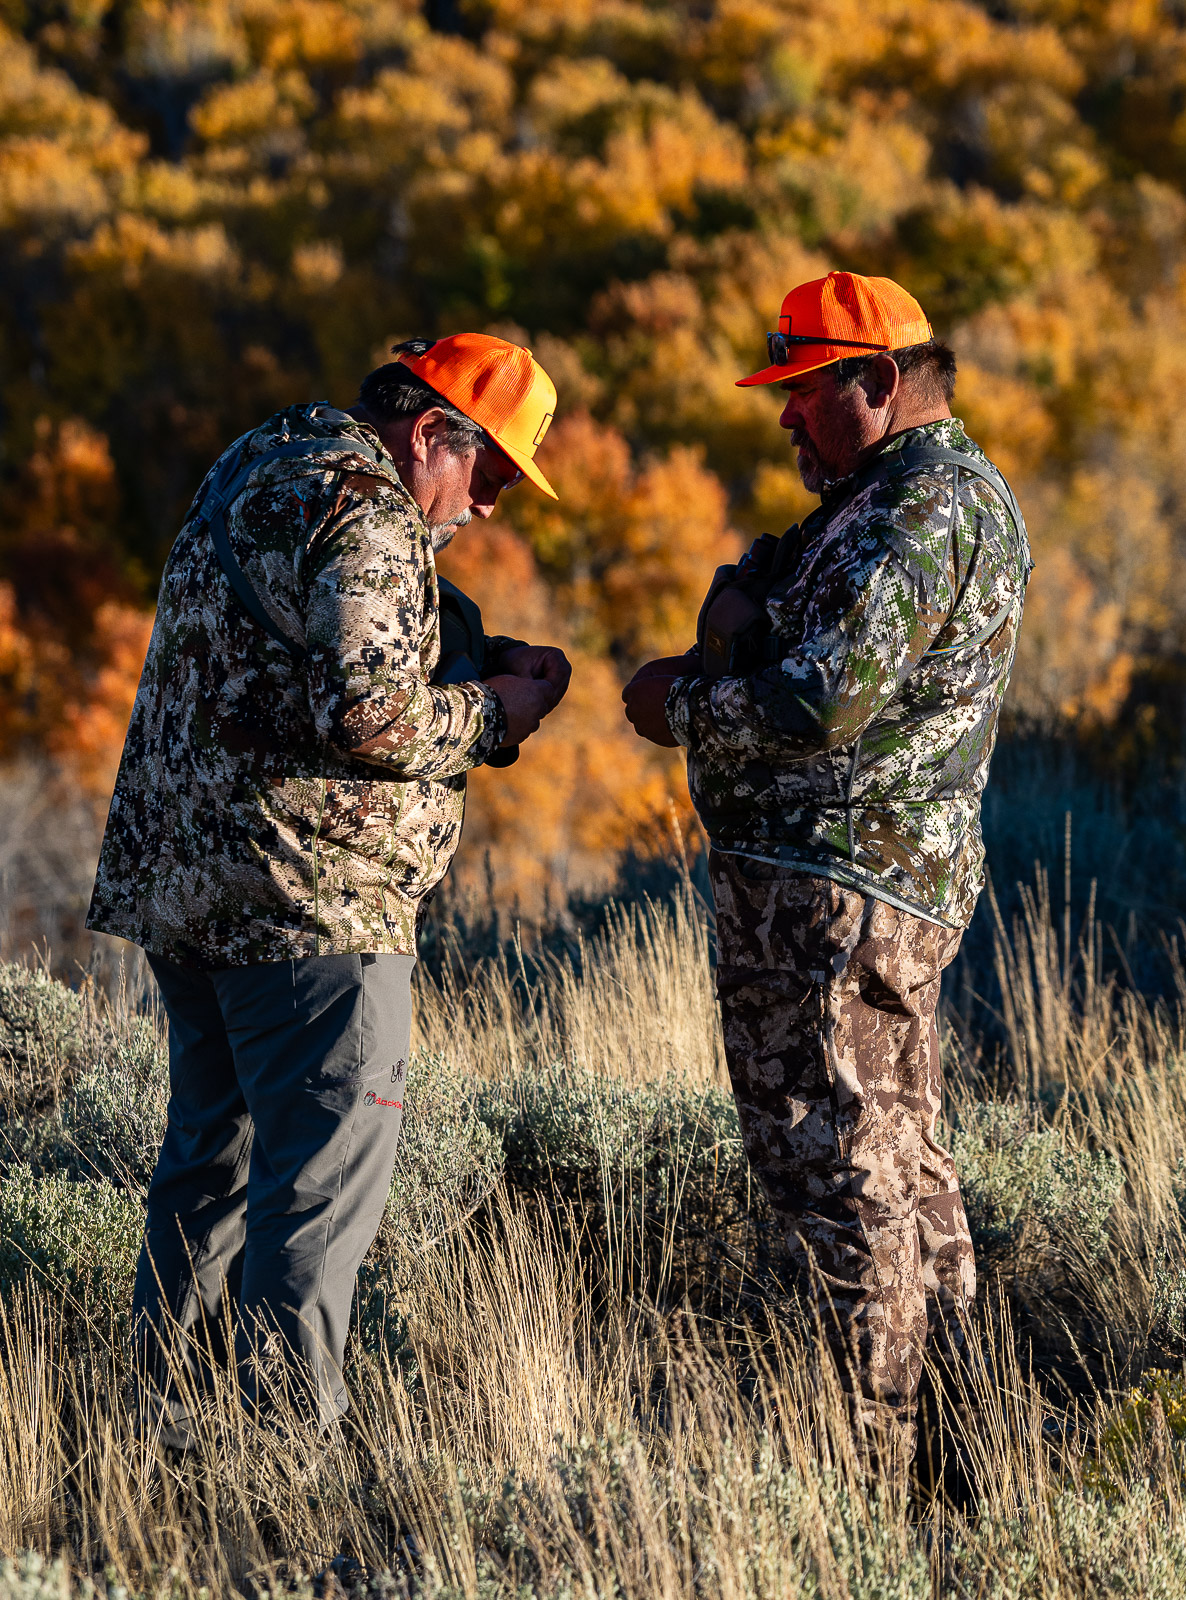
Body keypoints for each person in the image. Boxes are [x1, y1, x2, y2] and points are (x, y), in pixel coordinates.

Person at [88, 333, 570, 1439]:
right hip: (312, 907)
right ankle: (281, 1456)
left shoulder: (264, 459)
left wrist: (467, 654)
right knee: (314, 1193)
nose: (490, 505)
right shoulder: (370, 510)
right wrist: (502, 713)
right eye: (490, 470)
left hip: (190, 886)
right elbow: (371, 714)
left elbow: (290, 665)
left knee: (208, 1169)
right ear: (428, 432)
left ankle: (155, 1432)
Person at [622, 272, 1032, 1471]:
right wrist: (745, 616)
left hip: (832, 899)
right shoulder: (892, 497)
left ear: (877, 382)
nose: (786, 417)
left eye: (805, 392)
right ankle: (966, 1464)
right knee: (899, 1164)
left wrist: (681, 701)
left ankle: (866, 1481)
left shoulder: (922, 507)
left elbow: (819, 701)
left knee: (835, 1176)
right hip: (866, 890)